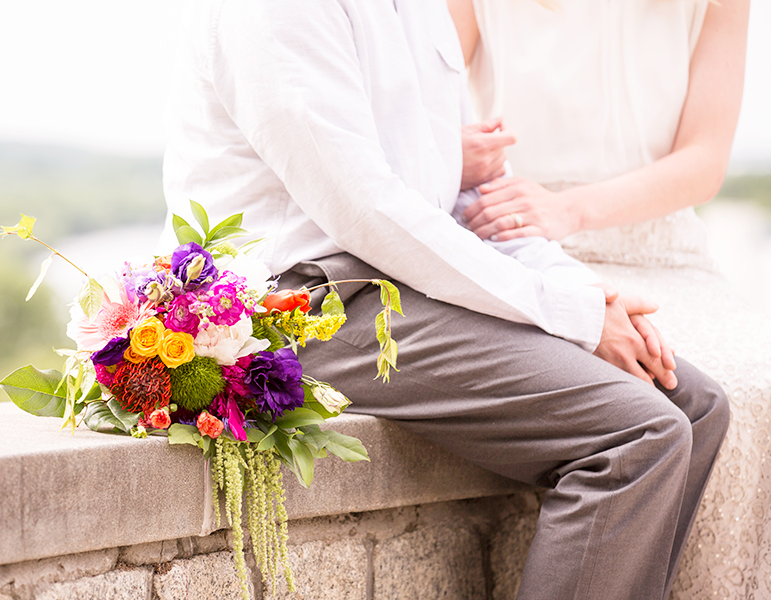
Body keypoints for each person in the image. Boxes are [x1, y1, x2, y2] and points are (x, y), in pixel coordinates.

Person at [157, 1, 729, 598]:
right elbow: (368, 211)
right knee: (638, 434)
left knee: (693, 403)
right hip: (307, 305)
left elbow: (457, 198)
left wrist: (588, 294)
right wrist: (575, 318)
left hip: (405, 284)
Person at [446, 1, 771, 598]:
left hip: (659, 247)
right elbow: (423, 111)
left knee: (747, 386)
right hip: (515, 240)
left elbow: (704, 160)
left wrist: (568, 210)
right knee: (663, 397)